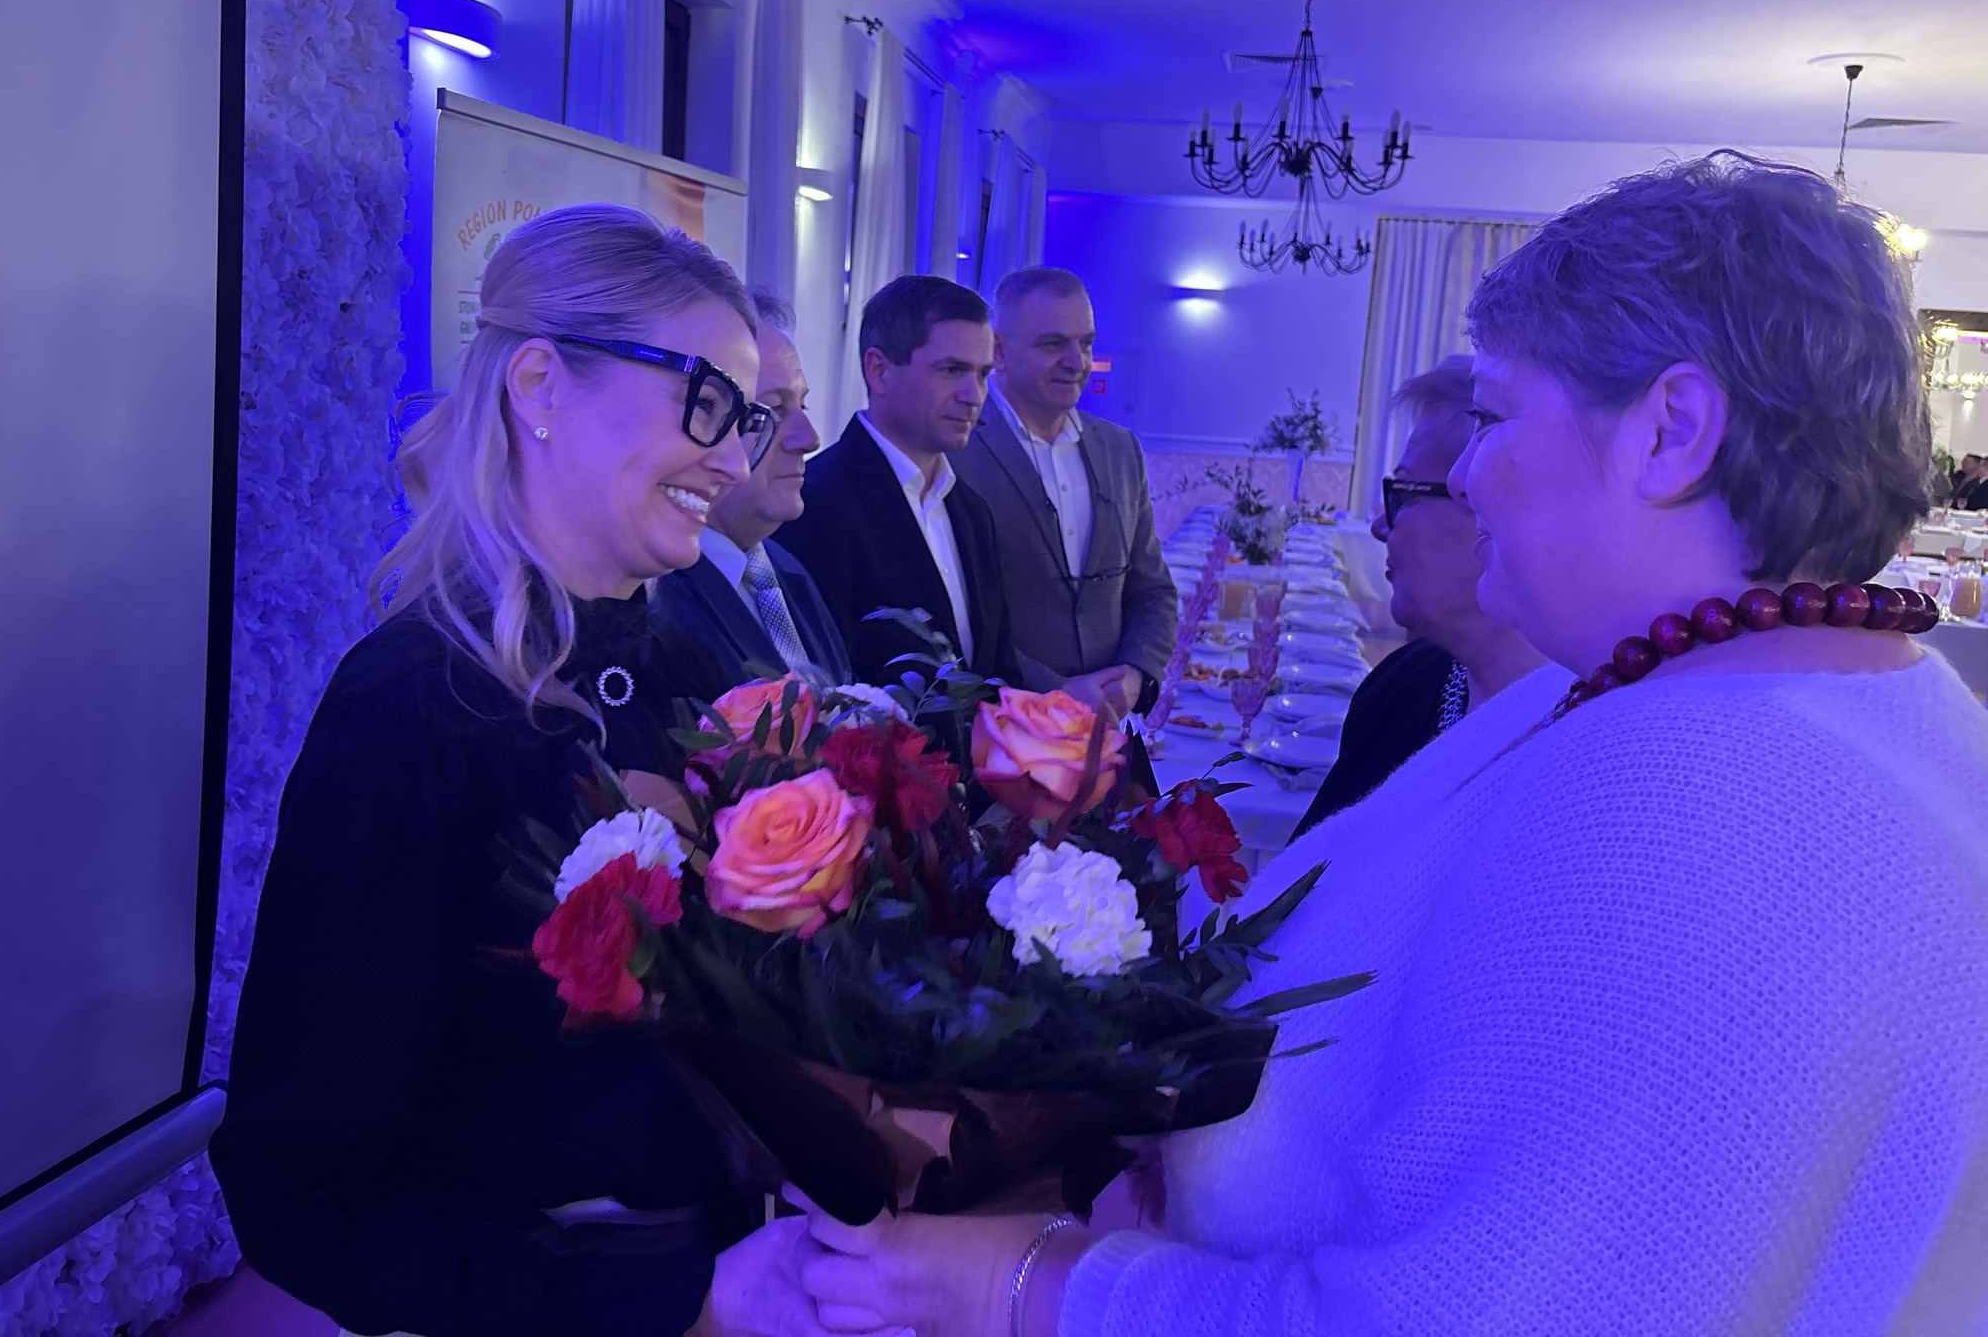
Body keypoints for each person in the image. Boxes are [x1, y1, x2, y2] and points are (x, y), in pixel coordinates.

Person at [761, 153, 1988, 1334]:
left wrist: (1009, 1284)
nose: (1470, 475)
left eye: (1495, 416)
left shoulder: (1708, 795)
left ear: (1669, 430)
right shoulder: (1752, 702)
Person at [211, 204, 785, 1337]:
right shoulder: (413, 706)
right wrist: (673, 1303)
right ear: (538, 384)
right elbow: (303, 1191)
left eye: (748, 419)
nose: (732, 457)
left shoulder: (689, 670)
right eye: (705, 400)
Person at [1293, 355, 1547, 835]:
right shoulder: (1401, 685)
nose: (1380, 526)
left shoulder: (1565, 742)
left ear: (1489, 510)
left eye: (1404, 494)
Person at [775, 275, 1022, 689]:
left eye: (983, 374)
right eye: (952, 370)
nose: (974, 395)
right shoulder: (815, 501)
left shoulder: (974, 511)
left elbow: (998, 671)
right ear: (880, 371)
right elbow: (823, 687)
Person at [954, 267, 1176, 720]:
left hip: (1107, 732)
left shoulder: (1120, 449)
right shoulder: (956, 452)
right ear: (999, 351)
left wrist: (1136, 674)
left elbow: (1152, 590)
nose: (1077, 362)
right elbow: (957, 618)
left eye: (1086, 343)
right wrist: (1056, 692)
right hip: (1000, 728)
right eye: (1053, 344)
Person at [653, 289, 852, 689]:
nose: (809, 439)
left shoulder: (789, 568)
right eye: (770, 411)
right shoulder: (652, 595)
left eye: (802, 407)